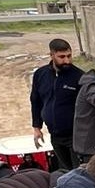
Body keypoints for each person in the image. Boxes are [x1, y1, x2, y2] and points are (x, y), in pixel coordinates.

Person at [29, 38, 84, 171]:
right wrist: (37, 127)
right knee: (64, 171)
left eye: (69, 56)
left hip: (75, 136)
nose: (67, 60)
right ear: (52, 55)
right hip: (55, 135)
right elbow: (35, 100)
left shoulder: (79, 77)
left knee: (78, 173)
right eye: (61, 57)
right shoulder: (40, 75)